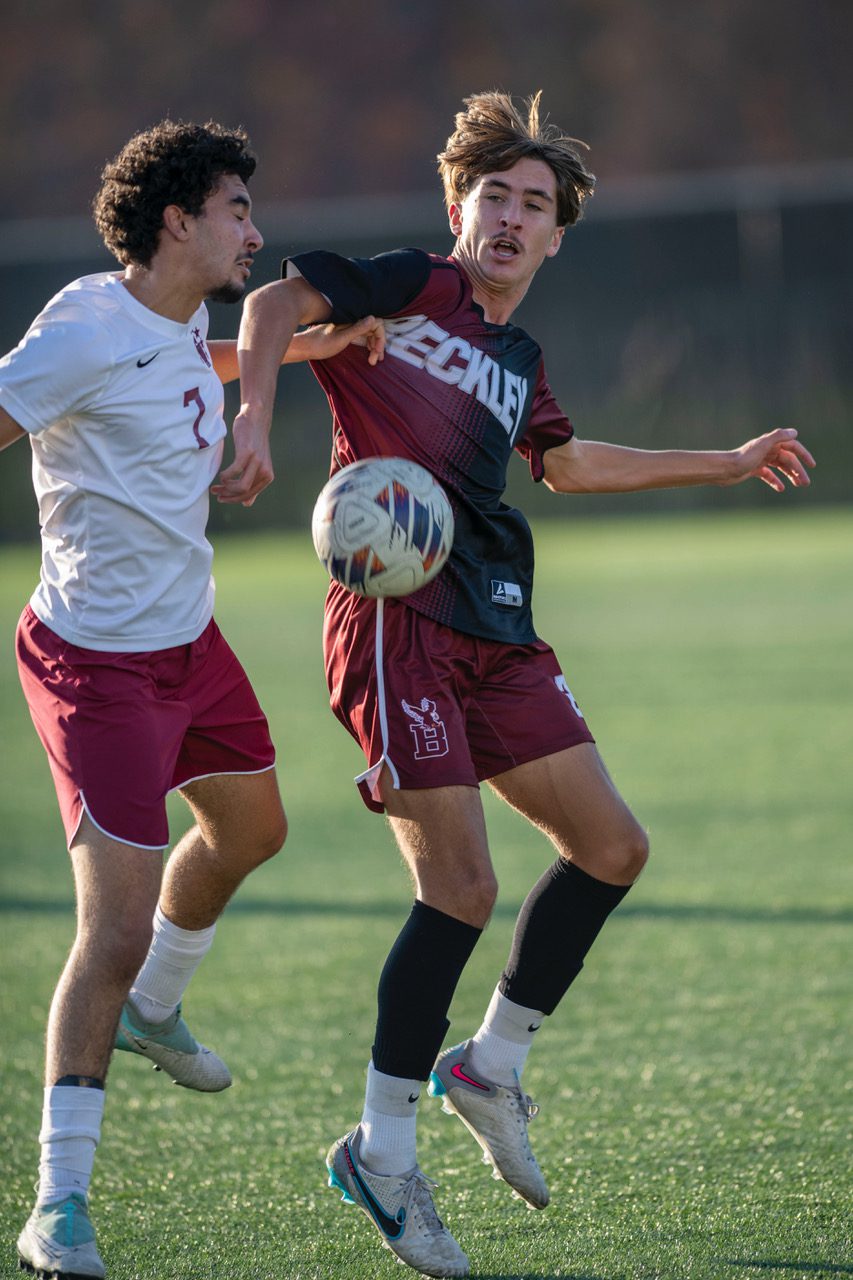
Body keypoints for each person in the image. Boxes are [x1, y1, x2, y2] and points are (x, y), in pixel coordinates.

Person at [230, 91, 816, 1278]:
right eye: (492, 194)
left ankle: (489, 1065)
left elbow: (568, 461)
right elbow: (271, 305)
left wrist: (727, 459)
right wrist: (254, 411)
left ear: (556, 235)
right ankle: (381, 1151)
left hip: (495, 619)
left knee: (611, 846)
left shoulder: (517, 357)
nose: (509, 216)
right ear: (458, 207)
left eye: (533, 204)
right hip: (396, 619)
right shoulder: (411, 285)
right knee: (460, 887)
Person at [0, 119, 384, 1280]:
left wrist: (305, 354)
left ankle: (154, 1007)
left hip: (190, 644)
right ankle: (58, 1203)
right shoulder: (83, 324)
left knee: (254, 829)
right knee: (111, 930)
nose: (255, 234)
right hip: (96, 664)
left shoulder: (174, 320)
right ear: (177, 220)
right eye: (236, 212)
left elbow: (181, 363)